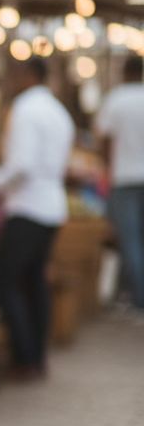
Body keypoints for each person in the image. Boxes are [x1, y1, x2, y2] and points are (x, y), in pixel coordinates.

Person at [0, 58, 75, 376]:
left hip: (28, 206)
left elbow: (21, 165)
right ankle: (36, 357)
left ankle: (24, 357)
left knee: (4, 281)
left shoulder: (25, 108)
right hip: (51, 207)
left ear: (28, 75)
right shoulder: (58, 111)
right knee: (35, 282)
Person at [95, 55, 144, 311]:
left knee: (129, 239)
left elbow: (103, 139)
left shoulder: (117, 99)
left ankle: (137, 299)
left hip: (125, 177)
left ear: (124, 72)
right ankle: (131, 293)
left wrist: (107, 167)